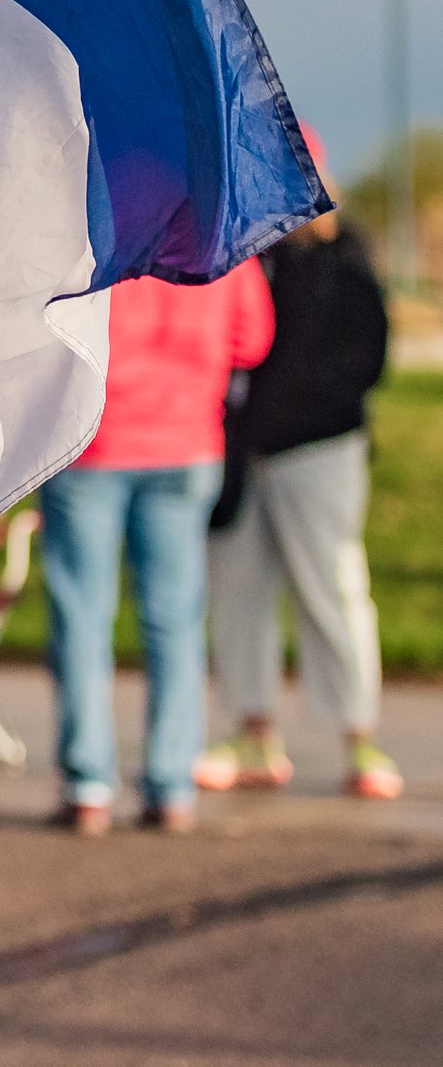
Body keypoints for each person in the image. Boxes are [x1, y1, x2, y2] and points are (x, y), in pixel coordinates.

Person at [198, 125, 401, 801]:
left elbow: (364, 360)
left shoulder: (344, 257)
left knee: (333, 589)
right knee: (238, 592)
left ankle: (358, 737)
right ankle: (253, 730)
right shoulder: (239, 257)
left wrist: (287, 412)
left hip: (318, 449)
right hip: (239, 456)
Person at [41, 257, 272, 835]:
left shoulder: (99, 229)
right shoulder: (218, 235)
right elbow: (253, 340)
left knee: (82, 616)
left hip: (94, 441)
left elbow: (50, 324)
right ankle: (171, 785)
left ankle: (88, 783)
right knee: (174, 621)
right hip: (187, 440)